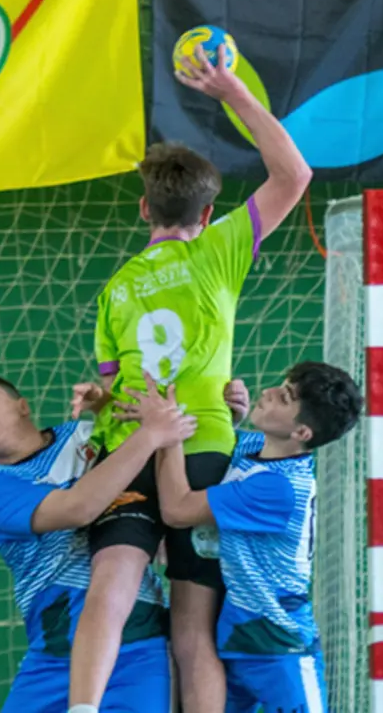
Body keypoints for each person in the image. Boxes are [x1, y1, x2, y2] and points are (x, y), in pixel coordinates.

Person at [68, 42, 313, 713]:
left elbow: (116, 384)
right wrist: (230, 89)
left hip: (127, 451)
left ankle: (83, 706)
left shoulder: (116, 289)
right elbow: (293, 174)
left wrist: (98, 401)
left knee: (112, 590)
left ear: (144, 211)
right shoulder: (217, 252)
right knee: (192, 633)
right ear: (207, 215)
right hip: (202, 448)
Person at [123, 362, 362, 713]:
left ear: (302, 432)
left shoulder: (278, 487)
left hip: (280, 646)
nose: (268, 392)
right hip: (236, 637)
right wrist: (228, 421)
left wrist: (167, 434)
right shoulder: (252, 447)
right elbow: (225, 466)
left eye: (284, 397)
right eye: (280, 385)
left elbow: (177, 509)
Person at [0, 371, 196, 712]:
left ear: (22, 407)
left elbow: (170, 452)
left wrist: (227, 412)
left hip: (139, 641)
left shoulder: (86, 435)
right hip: (56, 650)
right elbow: (79, 508)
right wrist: (150, 434)